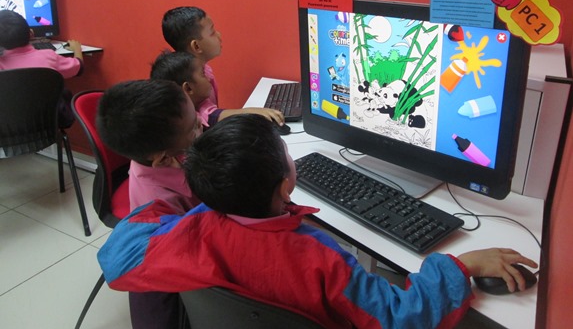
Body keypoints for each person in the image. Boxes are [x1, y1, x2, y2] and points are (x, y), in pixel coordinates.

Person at [98, 114, 538, 329]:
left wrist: (192, 209)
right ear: (286, 184)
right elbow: (399, 318)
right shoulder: (320, 258)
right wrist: (460, 265)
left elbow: (117, 253)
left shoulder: (188, 235)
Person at [97, 79, 202, 329]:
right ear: (163, 158)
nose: (201, 122)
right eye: (193, 127)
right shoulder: (163, 206)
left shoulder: (166, 154)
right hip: (181, 264)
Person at [161, 6, 285, 128]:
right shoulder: (189, 79)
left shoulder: (205, 70)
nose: (219, 35)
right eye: (212, 32)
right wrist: (250, 113)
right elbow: (208, 116)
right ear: (196, 46)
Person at [0, 9, 84, 127]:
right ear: (31, 33)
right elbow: (79, 67)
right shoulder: (49, 56)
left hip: (11, 128)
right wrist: (77, 49)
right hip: (48, 125)